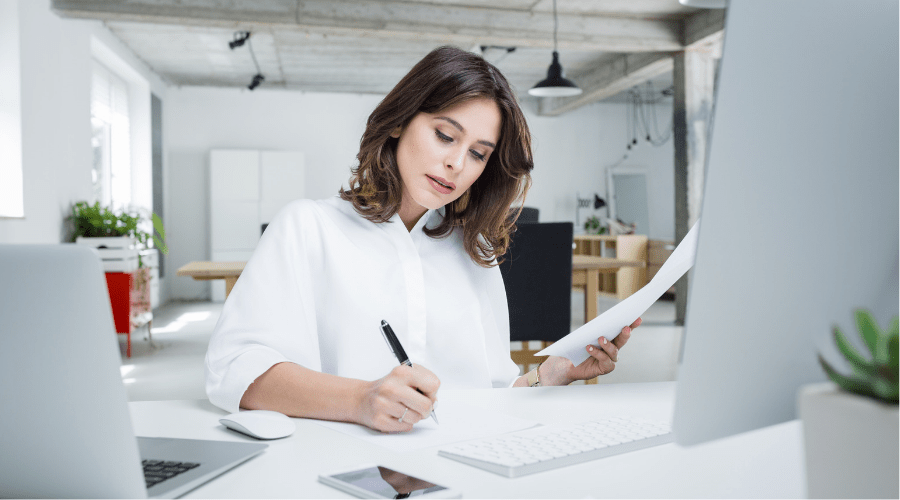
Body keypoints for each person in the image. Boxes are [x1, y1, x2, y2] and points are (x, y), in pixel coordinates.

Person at [205, 46, 640, 433]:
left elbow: (490, 388)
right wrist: (360, 400)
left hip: (464, 469)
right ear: (400, 122)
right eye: (445, 135)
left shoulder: (473, 253)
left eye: (478, 154)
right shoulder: (308, 227)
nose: (455, 163)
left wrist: (544, 378)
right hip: (346, 471)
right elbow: (234, 370)